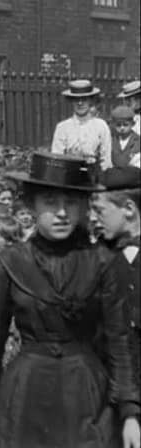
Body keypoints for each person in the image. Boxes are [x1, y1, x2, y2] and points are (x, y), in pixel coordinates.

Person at [0, 151, 140, 448]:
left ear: (85, 207)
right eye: (50, 202)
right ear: (32, 205)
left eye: (71, 203)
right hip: (25, 394)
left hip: (87, 393)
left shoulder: (102, 261)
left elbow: (119, 342)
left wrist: (129, 413)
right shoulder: (9, 263)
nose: (62, 213)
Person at [91, 166, 140, 393]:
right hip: (106, 389)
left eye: (99, 210)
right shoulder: (92, 260)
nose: (93, 218)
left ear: (128, 208)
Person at [51, 79, 112, 170]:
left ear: (90, 100)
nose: (80, 103)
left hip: (93, 174)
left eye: (84, 99)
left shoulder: (101, 126)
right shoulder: (62, 127)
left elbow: (106, 158)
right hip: (69, 174)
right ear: (71, 101)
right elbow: (56, 157)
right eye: (76, 100)